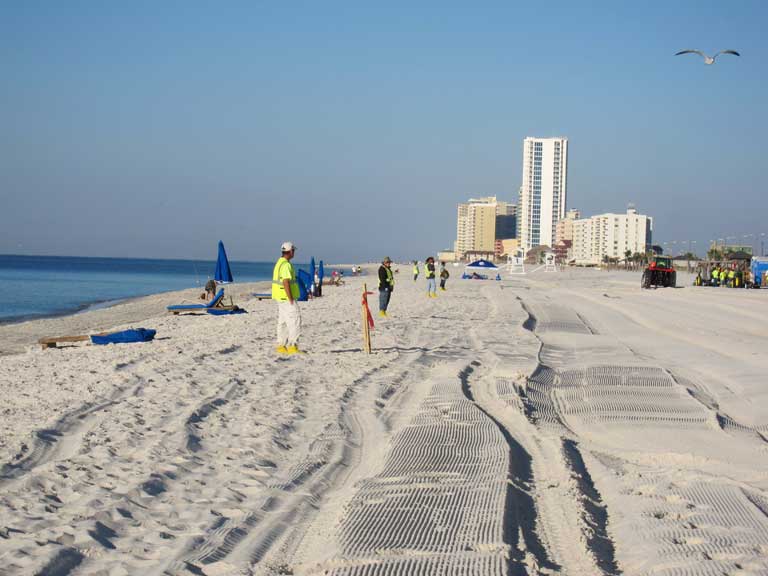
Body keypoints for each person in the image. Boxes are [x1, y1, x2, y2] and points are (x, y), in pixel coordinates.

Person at [272, 241, 303, 355]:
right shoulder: (286, 264)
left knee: (283, 321)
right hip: (286, 297)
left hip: (279, 297)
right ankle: (292, 346)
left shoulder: (279, 262)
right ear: (290, 251)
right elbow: (286, 282)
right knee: (295, 320)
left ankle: (281, 346)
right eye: (293, 250)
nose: (294, 252)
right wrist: (290, 299)